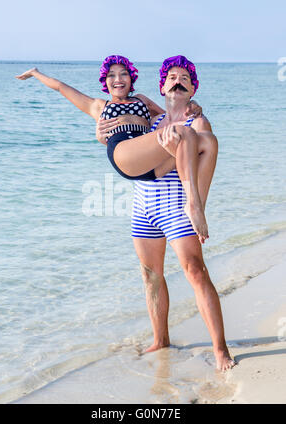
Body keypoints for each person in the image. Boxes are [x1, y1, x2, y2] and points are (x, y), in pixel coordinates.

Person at [97, 56, 236, 371]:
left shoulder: (197, 123)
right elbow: (120, 137)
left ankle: (220, 350)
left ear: (192, 89)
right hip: (143, 206)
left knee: (196, 272)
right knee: (150, 276)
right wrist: (100, 130)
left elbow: (206, 154)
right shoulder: (151, 121)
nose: (177, 80)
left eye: (185, 78)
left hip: (176, 208)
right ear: (162, 87)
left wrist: (196, 202)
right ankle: (161, 340)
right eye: (171, 76)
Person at [15, 55, 208, 243]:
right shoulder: (99, 106)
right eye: (111, 75)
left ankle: (191, 206)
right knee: (185, 134)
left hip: (149, 169)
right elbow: (61, 87)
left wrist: (193, 104)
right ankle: (193, 206)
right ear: (104, 81)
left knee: (202, 142)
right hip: (123, 154)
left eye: (123, 74)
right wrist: (35, 73)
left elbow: (172, 113)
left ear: (131, 78)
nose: (118, 79)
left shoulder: (141, 100)